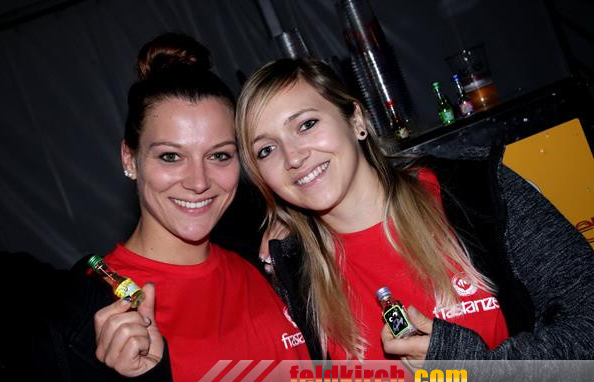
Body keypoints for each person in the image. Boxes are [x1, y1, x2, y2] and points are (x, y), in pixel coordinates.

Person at [0, 34, 311, 382]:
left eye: (219, 156)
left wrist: (388, 379)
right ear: (130, 159)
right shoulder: (93, 314)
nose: (199, 182)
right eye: (170, 156)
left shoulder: (263, 260)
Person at [234, 57, 594, 362]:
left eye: (307, 125)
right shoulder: (290, 273)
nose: (293, 157)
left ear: (355, 120)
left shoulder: (475, 195)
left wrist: (476, 372)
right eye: (266, 150)